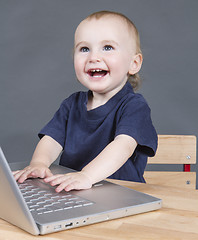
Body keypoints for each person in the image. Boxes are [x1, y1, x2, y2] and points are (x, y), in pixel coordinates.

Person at [13, 10, 157, 192]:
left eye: (107, 47)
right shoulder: (71, 104)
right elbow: (52, 139)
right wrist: (39, 163)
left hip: (120, 193)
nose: (93, 57)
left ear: (133, 63)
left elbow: (123, 146)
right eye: (84, 49)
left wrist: (87, 176)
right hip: (74, 191)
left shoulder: (134, 106)